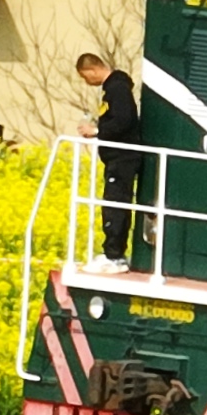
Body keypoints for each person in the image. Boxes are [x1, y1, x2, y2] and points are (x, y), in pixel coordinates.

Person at [77, 51, 147, 265]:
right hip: (118, 158)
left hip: (122, 158)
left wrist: (97, 131)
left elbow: (124, 120)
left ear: (92, 69)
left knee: (115, 205)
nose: (86, 81)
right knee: (116, 203)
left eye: (84, 76)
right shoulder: (114, 89)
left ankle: (114, 255)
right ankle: (113, 252)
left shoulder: (117, 89)